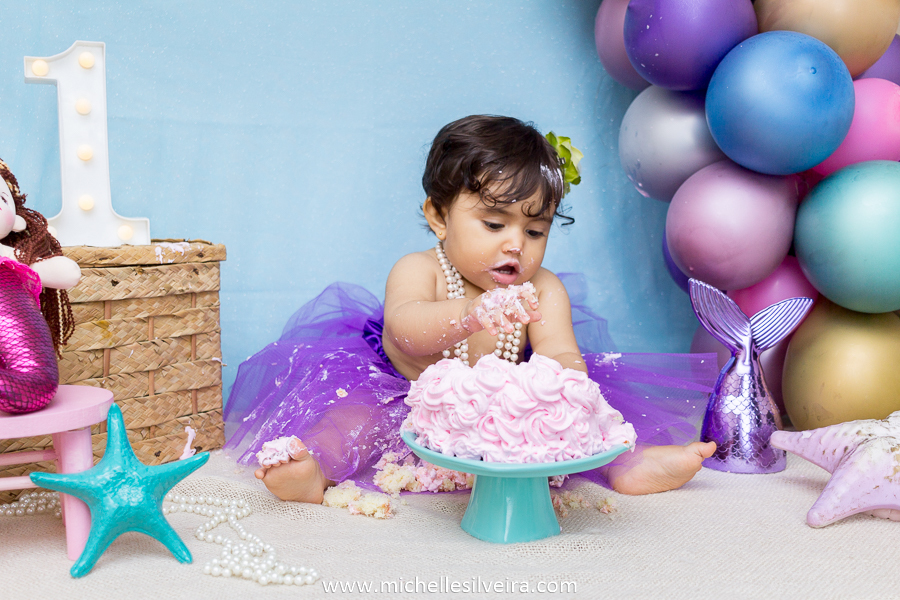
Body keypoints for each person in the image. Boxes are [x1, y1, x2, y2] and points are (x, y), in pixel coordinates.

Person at [224, 115, 718, 503]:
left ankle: (628, 463)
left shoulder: (542, 289)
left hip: (508, 408)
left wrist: (565, 395)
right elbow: (405, 331)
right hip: (404, 394)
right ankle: (315, 468)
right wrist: (474, 313)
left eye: (534, 231)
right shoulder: (422, 270)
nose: (514, 246)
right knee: (351, 421)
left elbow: (563, 356)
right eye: (493, 224)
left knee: (583, 418)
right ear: (439, 217)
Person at [0, 158, 80, 412]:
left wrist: (14, 255)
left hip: (33, 383)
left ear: (16, 221)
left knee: (33, 389)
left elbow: (69, 273)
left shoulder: (15, 260)